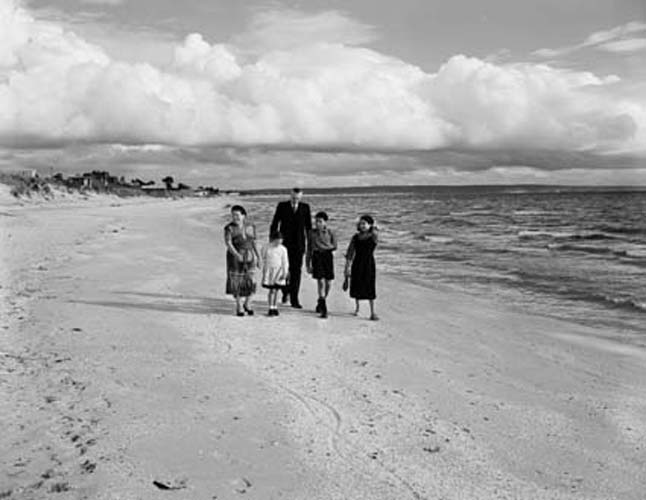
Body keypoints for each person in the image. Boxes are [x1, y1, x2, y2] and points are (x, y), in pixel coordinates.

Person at [270, 188, 312, 308]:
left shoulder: (305, 207)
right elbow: (275, 223)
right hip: (283, 244)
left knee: (296, 272)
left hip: (299, 245)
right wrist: (272, 240)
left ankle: (295, 299)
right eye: (293, 197)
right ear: (290, 195)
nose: (295, 200)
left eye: (298, 198)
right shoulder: (282, 206)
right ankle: (285, 292)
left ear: (301, 197)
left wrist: (311, 244)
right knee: (283, 269)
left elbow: (308, 227)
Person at [224, 205, 260, 316]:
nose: (235, 217)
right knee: (237, 281)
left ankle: (248, 303)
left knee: (252, 280)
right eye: (233, 215)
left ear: (244, 215)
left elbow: (254, 243)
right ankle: (239, 305)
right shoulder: (229, 228)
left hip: (249, 256)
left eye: (237, 215)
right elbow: (228, 243)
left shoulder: (251, 226)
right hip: (235, 256)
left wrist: (259, 257)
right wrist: (236, 254)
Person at [344, 214, 379, 320]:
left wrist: (373, 225)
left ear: (370, 225)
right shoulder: (355, 237)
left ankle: (373, 312)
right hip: (357, 263)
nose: (362, 225)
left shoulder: (373, 236)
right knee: (357, 284)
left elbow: (376, 230)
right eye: (361, 223)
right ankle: (357, 308)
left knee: (370, 286)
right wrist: (347, 266)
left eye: (365, 223)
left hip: (369, 263)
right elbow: (350, 252)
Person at [306, 211, 337, 318]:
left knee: (328, 282)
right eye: (316, 221)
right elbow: (309, 249)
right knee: (321, 282)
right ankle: (324, 307)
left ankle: (321, 300)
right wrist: (307, 264)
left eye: (320, 221)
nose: (317, 223)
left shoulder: (330, 232)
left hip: (327, 257)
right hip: (316, 257)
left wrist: (325, 247)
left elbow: (334, 246)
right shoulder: (311, 233)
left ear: (325, 222)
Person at [261, 231, 290, 316]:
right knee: (272, 290)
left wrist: (285, 272)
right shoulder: (266, 247)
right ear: (274, 239)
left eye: (281, 240)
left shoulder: (283, 249)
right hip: (270, 271)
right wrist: (264, 269)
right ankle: (271, 307)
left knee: (276, 290)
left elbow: (285, 261)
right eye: (277, 240)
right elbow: (263, 257)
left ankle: (275, 306)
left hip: (279, 271)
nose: (279, 242)